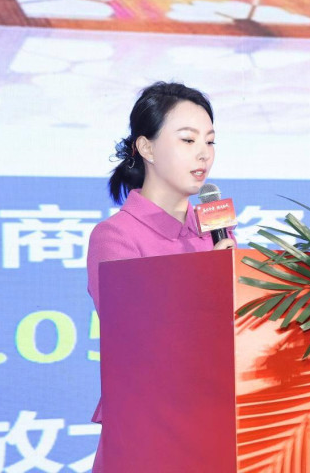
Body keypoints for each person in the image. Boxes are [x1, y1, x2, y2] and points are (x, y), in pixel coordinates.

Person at [86, 81, 235, 472]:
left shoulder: (217, 231)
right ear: (146, 148)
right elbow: (138, 340)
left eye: (210, 141)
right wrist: (209, 283)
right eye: (188, 140)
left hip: (216, 426)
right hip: (149, 432)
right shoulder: (115, 237)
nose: (204, 153)